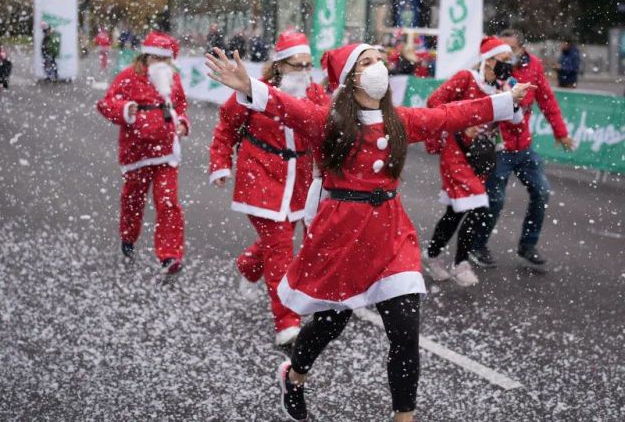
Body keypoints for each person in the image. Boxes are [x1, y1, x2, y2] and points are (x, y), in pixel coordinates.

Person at [205, 44, 533, 422]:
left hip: (392, 234)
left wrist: (502, 101)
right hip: (342, 234)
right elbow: (287, 108)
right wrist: (249, 86)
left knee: (406, 333)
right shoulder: (327, 121)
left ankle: (403, 417)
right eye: (366, 62)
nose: (378, 66)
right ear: (350, 78)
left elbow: (447, 115)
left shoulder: (399, 120)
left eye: (379, 59)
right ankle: (294, 376)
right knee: (330, 323)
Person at [208, 31, 330, 346]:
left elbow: (329, 128)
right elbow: (226, 127)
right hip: (260, 176)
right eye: (296, 65)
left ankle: (248, 265)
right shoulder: (253, 91)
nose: (303, 72)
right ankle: (287, 323)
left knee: (281, 240)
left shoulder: (315, 93)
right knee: (280, 249)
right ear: (279, 65)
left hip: (299, 180)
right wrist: (221, 163)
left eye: (307, 65)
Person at [422, 36, 526, 285]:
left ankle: (432, 254)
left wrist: (512, 97)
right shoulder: (466, 79)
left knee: (456, 211)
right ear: (487, 61)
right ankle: (461, 262)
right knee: (478, 206)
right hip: (456, 151)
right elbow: (434, 102)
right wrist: (459, 125)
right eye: (502, 60)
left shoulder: (503, 85)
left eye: (508, 61)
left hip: (481, 156)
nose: (506, 65)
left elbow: (516, 120)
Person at [469, 29, 575, 268]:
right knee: (495, 199)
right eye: (500, 50)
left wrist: (561, 133)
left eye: (510, 50)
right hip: (499, 147)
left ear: (522, 49)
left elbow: (546, 100)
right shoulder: (490, 69)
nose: (505, 55)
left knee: (542, 191)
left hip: (524, 147)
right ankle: (478, 245)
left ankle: (528, 244)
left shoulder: (533, 66)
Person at [97, 31, 190, 274]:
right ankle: (128, 238)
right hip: (136, 154)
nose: (160, 65)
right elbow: (106, 104)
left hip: (167, 153)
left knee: (168, 202)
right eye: (155, 59)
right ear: (146, 57)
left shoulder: (173, 79)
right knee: (133, 200)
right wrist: (126, 109)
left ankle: (170, 256)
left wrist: (181, 122)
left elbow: (180, 106)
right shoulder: (128, 76)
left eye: (164, 61)